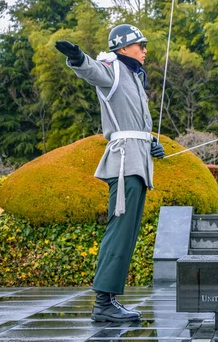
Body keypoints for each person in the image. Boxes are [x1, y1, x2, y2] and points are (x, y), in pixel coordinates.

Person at [55, 24, 165, 322]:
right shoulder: (113, 68)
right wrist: (78, 58)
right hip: (125, 163)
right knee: (119, 231)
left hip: (137, 161)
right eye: (139, 44)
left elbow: (135, 123)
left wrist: (152, 144)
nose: (144, 49)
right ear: (122, 48)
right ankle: (104, 303)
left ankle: (108, 300)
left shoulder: (134, 77)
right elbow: (93, 71)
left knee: (126, 233)